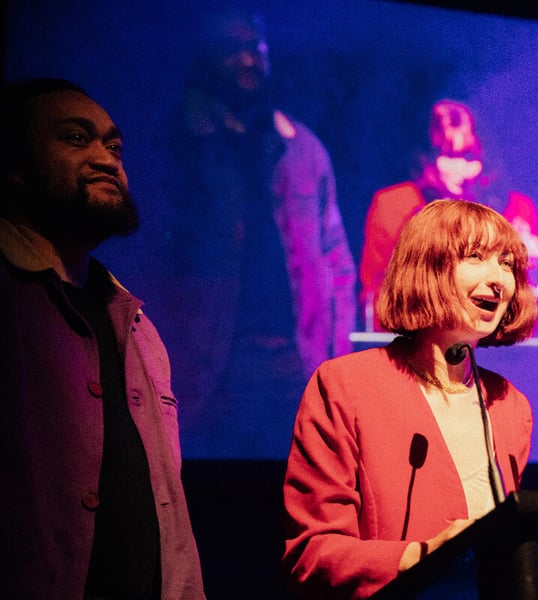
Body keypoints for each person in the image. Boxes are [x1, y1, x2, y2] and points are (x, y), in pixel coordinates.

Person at [282, 200, 538, 599]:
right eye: (476, 257)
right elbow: (312, 554)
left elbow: (491, 547)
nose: (499, 281)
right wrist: (421, 555)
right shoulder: (345, 385)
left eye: (507, 264)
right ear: (428, 266)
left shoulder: (510, 406)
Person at [0, 78, 205, 599]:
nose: (105, 159)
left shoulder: (137, 324)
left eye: (113, 147)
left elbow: (168, 516)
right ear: (13, 167)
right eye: (75, 139)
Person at [168, 11, 357, 456]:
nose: (247, 61)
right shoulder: (181, 141)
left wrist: (337, 363)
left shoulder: (304, 148)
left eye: (255, 48)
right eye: (232, 49)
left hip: (297, 358)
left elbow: (337, 262)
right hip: (212, 363)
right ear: (209, 58)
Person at [358, 99, 538, 333]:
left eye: (470, 157)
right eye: (450, 156)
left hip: (500, 348)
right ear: (427, 158)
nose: (462, 169)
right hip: (421, 345)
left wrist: (530, 272)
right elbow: (374, 297)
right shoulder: (395, 206)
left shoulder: (516, 209)